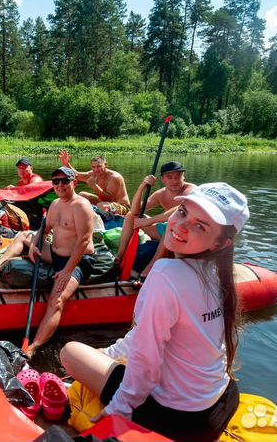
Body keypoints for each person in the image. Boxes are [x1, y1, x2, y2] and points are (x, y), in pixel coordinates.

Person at [60, 182, 249, 442]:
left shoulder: (165, 275)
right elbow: (144, 338)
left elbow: (145, 360)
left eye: (200, 226)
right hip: (225, 402)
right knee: (102, 355)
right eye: (182, 212)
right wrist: (110, 353)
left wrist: (119, 410)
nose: (181, 226)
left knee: (70, 351)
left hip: (179, 421)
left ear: (220, 242)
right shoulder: (222, 273)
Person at [23, 167, 95, 358]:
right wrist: (34, 244)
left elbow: (84, 241)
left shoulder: (81, 205)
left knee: (56, 300)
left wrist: (66, 272)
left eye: (65, 181)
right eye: (56, 181)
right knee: (24, 237)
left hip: (78, 260)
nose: (60, 185)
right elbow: (44, 230)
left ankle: (33, 347)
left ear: (74, 182)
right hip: (56, 255)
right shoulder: (55, 204)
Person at [116, 161, 196, 278]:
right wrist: (142, 187)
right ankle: (120, 257)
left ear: (183, 177)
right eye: (170, 177)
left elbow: (180, 208)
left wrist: (151, 220)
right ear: (162, 179)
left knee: (171, 226)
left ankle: (148, 271)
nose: (174, 181)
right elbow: (134, 211)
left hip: (185, 232)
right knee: (130, 216)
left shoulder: (192, 190)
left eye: (178, 177)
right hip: (165, 229)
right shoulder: (161, 194)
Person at [58, 150, 130, 215]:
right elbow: (76, 175)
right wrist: (66, 164)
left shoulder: (114, 178)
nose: (96, 170)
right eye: (93, 167)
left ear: (106, 165)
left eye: (99, 166)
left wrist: (95, 186)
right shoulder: (93, 174)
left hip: (122, 207)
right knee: (82, 195)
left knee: (102, 206)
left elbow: (108, 199)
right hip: (104, 203)